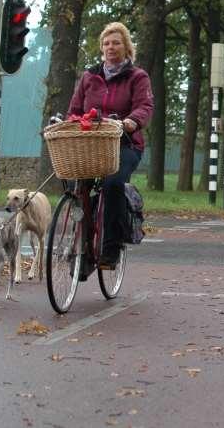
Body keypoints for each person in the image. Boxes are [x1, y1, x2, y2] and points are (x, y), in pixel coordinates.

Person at [68, 21, 153, 266]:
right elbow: (74, 109)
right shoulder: (89, 76)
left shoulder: (137, 77)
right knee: (77, 185)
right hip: (91, 143)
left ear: (126, 48)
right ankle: (82, 248)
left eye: (116, 43)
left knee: (113, 182)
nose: (110, 47)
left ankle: (111, 247)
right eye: (106, 43)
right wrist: (69, 123)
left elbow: (145, 106)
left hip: (124, 144)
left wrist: (131, 121)